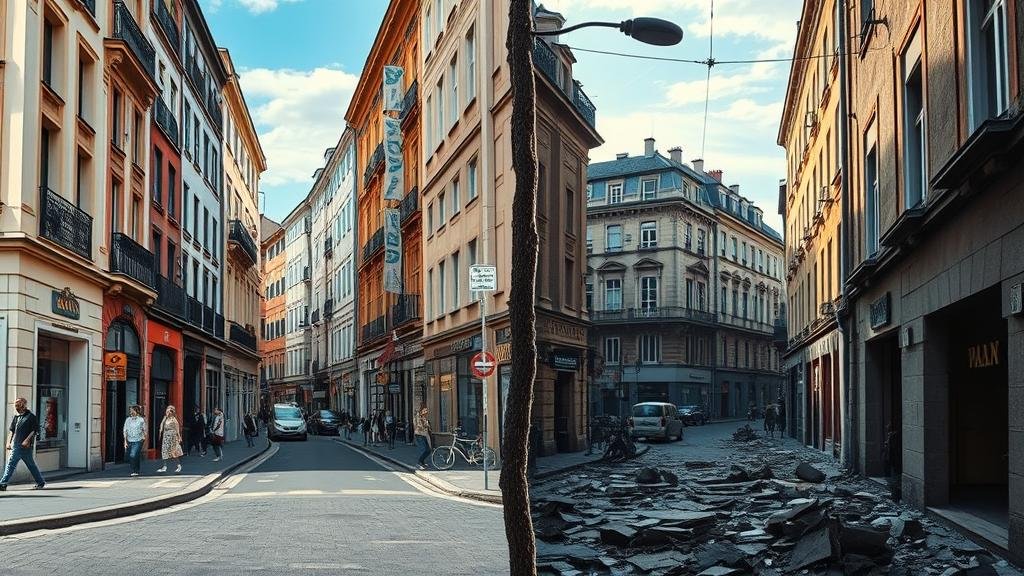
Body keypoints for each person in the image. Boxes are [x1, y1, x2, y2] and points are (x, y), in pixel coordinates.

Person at [0, 398, 46, 490]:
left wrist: (27, 440)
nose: (17, 407)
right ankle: (40, 482)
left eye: (19, 405)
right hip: (16, 444)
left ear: (24, 405)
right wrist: (8, 443)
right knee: (31, 465)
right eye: (16, 405)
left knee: (11, 463)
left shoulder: (30, 416)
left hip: (25, 445)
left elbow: (34, 430)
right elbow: (11, 431)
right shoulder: (16, 417)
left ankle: (3, 483)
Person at [158, 405, 184, 473]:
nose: (167, 413)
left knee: (174, 452)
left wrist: (179, 437)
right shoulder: (165, 418)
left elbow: (177, 428)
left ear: (172, 412)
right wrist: (160, 432)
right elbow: (161, 425)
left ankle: (178, 466)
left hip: (173, 437)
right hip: (166, 437)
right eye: (166, 411)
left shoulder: (174, 419)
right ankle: (164, 466)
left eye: (169, 411)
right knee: (164, 451)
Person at [123, 405, 147, 477]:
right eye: (130, 410)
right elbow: (125, 430)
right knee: (134, 456)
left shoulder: (141, 420)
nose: (131, 412)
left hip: (138, 440)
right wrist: (125, 441)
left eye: (132, 410)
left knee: (133, 455)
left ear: (136, 411)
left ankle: (134, 470)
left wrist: (144, 438)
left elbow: (144, 429)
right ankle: (136, 470)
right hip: (130, 440)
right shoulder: (128, 420)